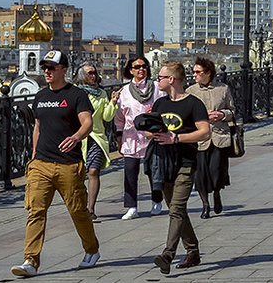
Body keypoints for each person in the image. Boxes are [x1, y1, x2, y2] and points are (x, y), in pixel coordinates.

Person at [10, 50, 99, 277]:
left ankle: (91, 249)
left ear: (64, 70)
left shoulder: (76, 95)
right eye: (44, 68)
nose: (47, 72)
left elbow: (87, 122)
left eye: (52, 68)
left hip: (69, 165)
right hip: (41, 163)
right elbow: (38, 127)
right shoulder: (40, 96)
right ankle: (30, 261)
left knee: (78, 211)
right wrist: (33, 156)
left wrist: (76, 137)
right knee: (35, 211)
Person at [145, 61, 210, 274]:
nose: (158, 81)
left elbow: (204, 132)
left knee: (176, 210)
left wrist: (177, 138)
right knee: (178, 209)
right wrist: (148, 127)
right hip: (163, 164)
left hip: (185, 163)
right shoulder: (160, 104)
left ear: (171, 79)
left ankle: (168, 254)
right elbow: (148, 133)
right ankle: (193, 251)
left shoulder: (193, 103)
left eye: (160, 77)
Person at [111, 56, 164, 220]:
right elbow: (120, 117)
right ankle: (132, 206)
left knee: (154, 170)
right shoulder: (125, 91)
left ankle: (157, 200)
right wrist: (119, 136)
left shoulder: (156, 88)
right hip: (131, 137)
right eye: (137, 67)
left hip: (152, 135)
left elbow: (163, 107)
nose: (141, 69)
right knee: (130, 172)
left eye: (144, 66)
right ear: (131, 70)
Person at [186, 57, 235, 219]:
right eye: (193, 72)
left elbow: (232, 111)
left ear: (208, 73)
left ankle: (216, 193)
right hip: (199, 140)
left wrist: (221, 114)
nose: (195, 75)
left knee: (216, 171)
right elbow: (186, 115)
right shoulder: (191, 91)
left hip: (219, 137)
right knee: (200, 175)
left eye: (198, 72)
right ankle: (205, 205)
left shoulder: (223, 89)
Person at [75, 62, 115, 221]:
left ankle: (90, 209)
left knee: (93, 171)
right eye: (90, 73)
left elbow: (107, 117)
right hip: (78, 138)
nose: (93, 76)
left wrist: (113, 103)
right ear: (82, 76)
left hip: (96, 137)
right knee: (77, 175)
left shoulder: (101, 93)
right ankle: (79, 207)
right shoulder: (75, 92)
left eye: (94, 73)